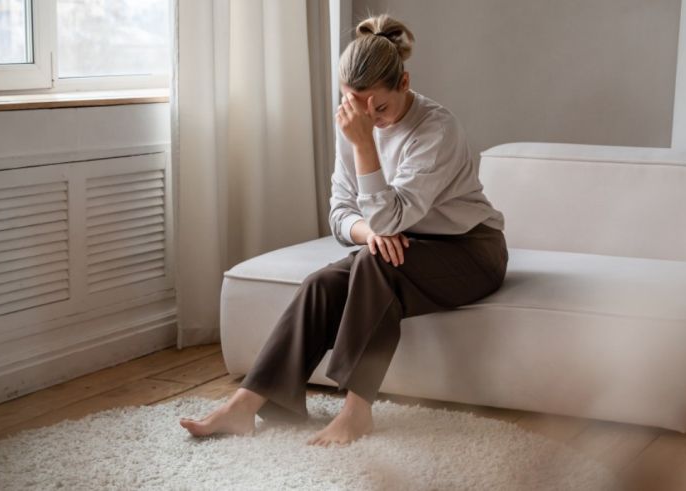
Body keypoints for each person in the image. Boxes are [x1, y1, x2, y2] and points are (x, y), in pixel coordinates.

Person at [179, 13, 507, 447]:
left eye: (380, 108)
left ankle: (356, 411)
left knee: (374, 265)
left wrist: (364, 146)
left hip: (470, 251)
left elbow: (391, 217)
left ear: (404, 83)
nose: (369, 119)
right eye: (356, 106)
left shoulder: (436, 129)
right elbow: (340, 214)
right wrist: (369, 234)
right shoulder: (352, 123)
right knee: (322, 283)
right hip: (400, 245)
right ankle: (244, 405)